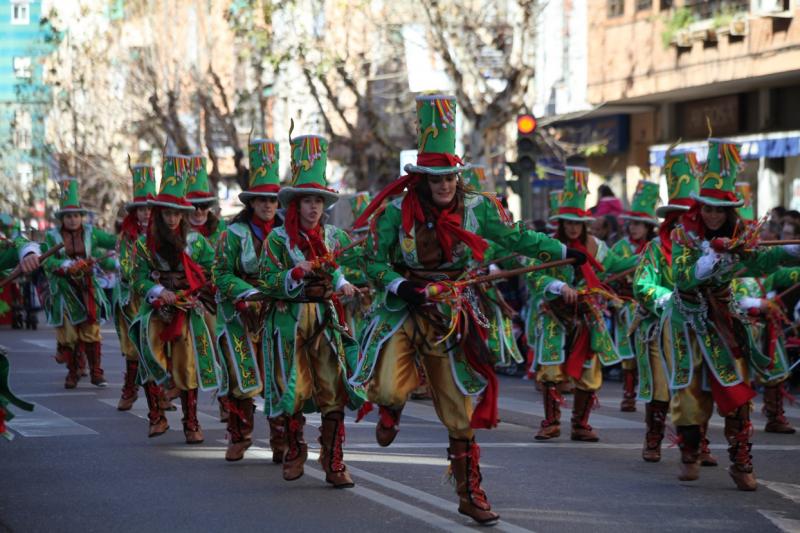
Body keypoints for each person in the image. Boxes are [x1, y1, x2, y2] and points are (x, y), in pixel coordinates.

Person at [349, 95, 581, 525]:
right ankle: (390, 409)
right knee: (388, 388)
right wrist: (402, 285)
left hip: (450, 310)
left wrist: (566, 249)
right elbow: (372, 263)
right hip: (404, 306)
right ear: (421, 179)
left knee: (459, 409)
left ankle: (470, 492)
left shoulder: (478, 210)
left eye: (450, 177)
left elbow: (519, 240)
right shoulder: (395, 213)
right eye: (436, 178)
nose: (444, 185)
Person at [664, 139, 800, 490]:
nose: (713, 215)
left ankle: (741, 462)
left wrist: (789, 252)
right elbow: (679, 278)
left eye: (720, 211)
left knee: (736, 391)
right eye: (708, 208)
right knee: (690, 395)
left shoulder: (741, 238)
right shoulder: (683, 236)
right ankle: (690, 453)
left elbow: (761, 261)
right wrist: (708, 262)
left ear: (729, 213)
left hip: (724, 321)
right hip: (688, 323)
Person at [258, 134, 362, 487]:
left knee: (334, 389)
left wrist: (346, 283)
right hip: (289, 324)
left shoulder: (334, 237)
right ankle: (294, 449)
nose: (314, 208)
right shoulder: (277, 240)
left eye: (319, 200)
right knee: (294, 390)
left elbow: (351, 267)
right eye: (307, 201)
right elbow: (268, 280)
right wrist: (294, 272)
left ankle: (333, 460)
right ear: (295, 205)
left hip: (326, 322)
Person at [527, 167, 628, 443]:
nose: (572, 227)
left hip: (586, 315)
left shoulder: (597, 246)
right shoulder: (549, 245)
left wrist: (643, 257)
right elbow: (535, 275)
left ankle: (580, 423)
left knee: (589, 371)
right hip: (554, 314)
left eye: (577, 223)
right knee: (549, 369)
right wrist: (559, 287)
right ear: (560, 223)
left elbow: (614, 267)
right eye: (567, 222)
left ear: (584, 224)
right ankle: (551, 421)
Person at [129, 155, 223, 443]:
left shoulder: (196, 242)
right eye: (166, 213)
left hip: (187, 306)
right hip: (156, 307)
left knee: (187, 364)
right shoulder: (145, 245)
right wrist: (159, 293)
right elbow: (138, 278)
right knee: (149, 354)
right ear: (158, 214)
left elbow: (213, 268)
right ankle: (156, 416)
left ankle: (191, 421)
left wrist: (199, 289)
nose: (172, 219)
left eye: (176, 214)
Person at [632, 149, 717, 464]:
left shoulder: (706, 249)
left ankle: (699, 443)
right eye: (679, 216)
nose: (685, 221)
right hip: (660, 326)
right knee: (661, 385)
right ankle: (653, 438)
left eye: (690, 215)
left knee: (702, 386)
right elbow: (642, 284)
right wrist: (668, 299)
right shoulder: (655, 248)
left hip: (701, 325)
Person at [213, 138, 285, 462]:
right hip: (240, 314)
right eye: (261, 200)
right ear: (251, 203)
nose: (268, 206)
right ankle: (240, 435)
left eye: (273, 200)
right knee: (241, 375)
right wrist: (247, 292)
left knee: (279, 377)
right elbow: (221, 273)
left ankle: (282, 440)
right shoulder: (233, 235)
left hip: (276, 314)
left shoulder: (288, 235)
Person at [731, 182, 796, 435]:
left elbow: (787, 274)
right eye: (743, 235)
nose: (750, 240)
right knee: (736, 378)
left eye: (751, 234)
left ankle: (774, 415)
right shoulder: (725, 264)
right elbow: (725, 293)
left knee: (777, 370)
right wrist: (757, 303)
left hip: (765, 328)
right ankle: (735, 419)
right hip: (736, 327)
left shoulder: (764, 266)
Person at [42, 179, 116, 389]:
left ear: (81, 217)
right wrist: (65, 264)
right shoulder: (51, 236)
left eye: (76, 216)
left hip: (87, 288)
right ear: (62, 218)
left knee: (91, 330)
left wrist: (130, 232)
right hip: (64, 291)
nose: (73, 220)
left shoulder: (92, 233)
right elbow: (47, 262)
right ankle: (73, 372)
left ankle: (96, 372)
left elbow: (113, 241)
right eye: (68, 216)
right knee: (70, 334)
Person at [607, 180, 660, 412]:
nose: (634, 228)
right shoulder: (620, 247)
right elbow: (611, 269)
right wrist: (635, 261)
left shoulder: (657, 247)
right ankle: (628, 395)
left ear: (648, 227)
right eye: (631, 224)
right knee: (629, 352)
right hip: (626, 305)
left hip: (652, 305)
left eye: (639, 224)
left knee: (653, 352)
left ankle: (654, 394)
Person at [114, 162, 156, 410]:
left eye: (150, 209)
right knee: (134, 347)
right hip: (133, 298)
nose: (145, 213)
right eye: (140, 209)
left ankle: (159, 394)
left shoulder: (163, 232)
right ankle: (130, 389)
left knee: (158, 346)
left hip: (157, 297)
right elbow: (126, 266)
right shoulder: (127, 236)